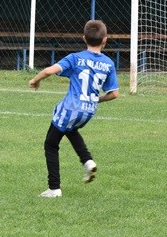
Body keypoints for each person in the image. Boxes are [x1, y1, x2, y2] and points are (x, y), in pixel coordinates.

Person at [29, 19, 119, 198]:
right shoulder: (108, 63)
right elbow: (114, 94)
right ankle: (87, 161)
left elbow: (49, 71)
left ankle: (54, 188)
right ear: (105, 40)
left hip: (71, 108)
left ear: (84, 38)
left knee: (51, 144)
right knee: (70, 130)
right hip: (89, 110)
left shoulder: (75, 58)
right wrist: (96, 100)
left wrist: (34, 80)